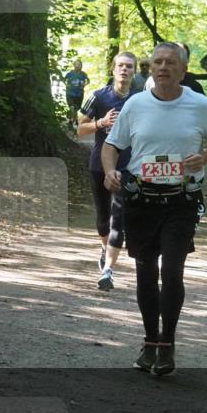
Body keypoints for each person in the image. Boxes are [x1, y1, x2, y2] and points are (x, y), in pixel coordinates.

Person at [102, 42, 207, 376]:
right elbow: (113, 145)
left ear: (183, 70)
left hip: (181, 200)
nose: (163, 67)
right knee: (146, 271)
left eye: (171, 63)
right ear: (151, 68)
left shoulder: (199, 104)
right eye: (157, 62)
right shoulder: (136, 104)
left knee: (172, 271)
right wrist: (111, 170)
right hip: (142, 199)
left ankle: (167, 343)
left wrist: (205, 157)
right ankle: (149, 342)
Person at [78, 52, 139, 292]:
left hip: (128, 167)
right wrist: (101, 123)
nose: (124, 70)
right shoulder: (98, 96)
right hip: (98, 165)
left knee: (118, 220)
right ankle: (104, 248)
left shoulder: (141, 99)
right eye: (121, 66)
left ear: (134, 72)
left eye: (129, 67)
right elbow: (80, 129)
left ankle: (108, 271)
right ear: (113, 69)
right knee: (103, 219)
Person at [63, 60, 89, 128]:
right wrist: (67, 85)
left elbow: (88, 81)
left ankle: (74, 119)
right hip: (70, 93)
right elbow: (64, 80)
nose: (78, 66)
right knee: (72, 107)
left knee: (77, 108)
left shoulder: (83, 74)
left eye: (79, 64)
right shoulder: (70, 73)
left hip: (79, 94)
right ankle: (72, 120)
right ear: (74, 65)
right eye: (76, 64)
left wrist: (84, 84)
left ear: (81, 66)